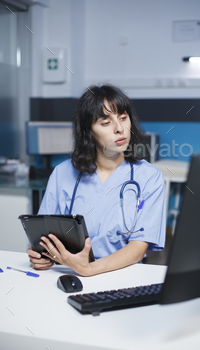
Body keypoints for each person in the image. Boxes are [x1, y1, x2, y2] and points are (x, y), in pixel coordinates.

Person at [27, 84, 166, 276]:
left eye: (123, 118)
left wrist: (89, 269)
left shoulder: (150, 177)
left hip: (124, 276)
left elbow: (138, 247)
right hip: (68, 273)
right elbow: (44, 236)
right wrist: (40, 256)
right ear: (88, 131)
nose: (119, 129)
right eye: (105, 122)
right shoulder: (62, 174)